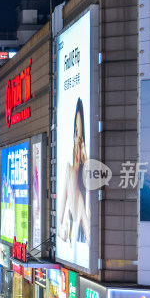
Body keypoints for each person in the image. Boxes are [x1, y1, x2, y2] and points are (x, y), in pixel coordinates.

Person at [57, 98, 90, 248]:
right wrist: (62, 228)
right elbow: (60, 227)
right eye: (76, 134)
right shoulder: (69, 172)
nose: (78, 141)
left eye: (81, 138)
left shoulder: (88, 173)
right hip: (70, 237)